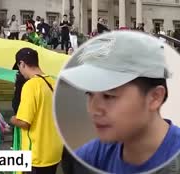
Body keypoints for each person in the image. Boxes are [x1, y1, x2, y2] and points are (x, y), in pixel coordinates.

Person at [59, 31, 180, 173]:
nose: (94, 110)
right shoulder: (90, 156)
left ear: (154, 97)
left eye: (109, 96)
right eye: (90, 94)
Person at [10, 48, 63, 174]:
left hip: (37, 154)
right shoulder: (53, 82)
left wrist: (13, 120)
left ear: (22, 64)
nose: (20, 72)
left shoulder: (31, 86)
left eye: (19, 67)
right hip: (54, 152)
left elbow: (24, 122)